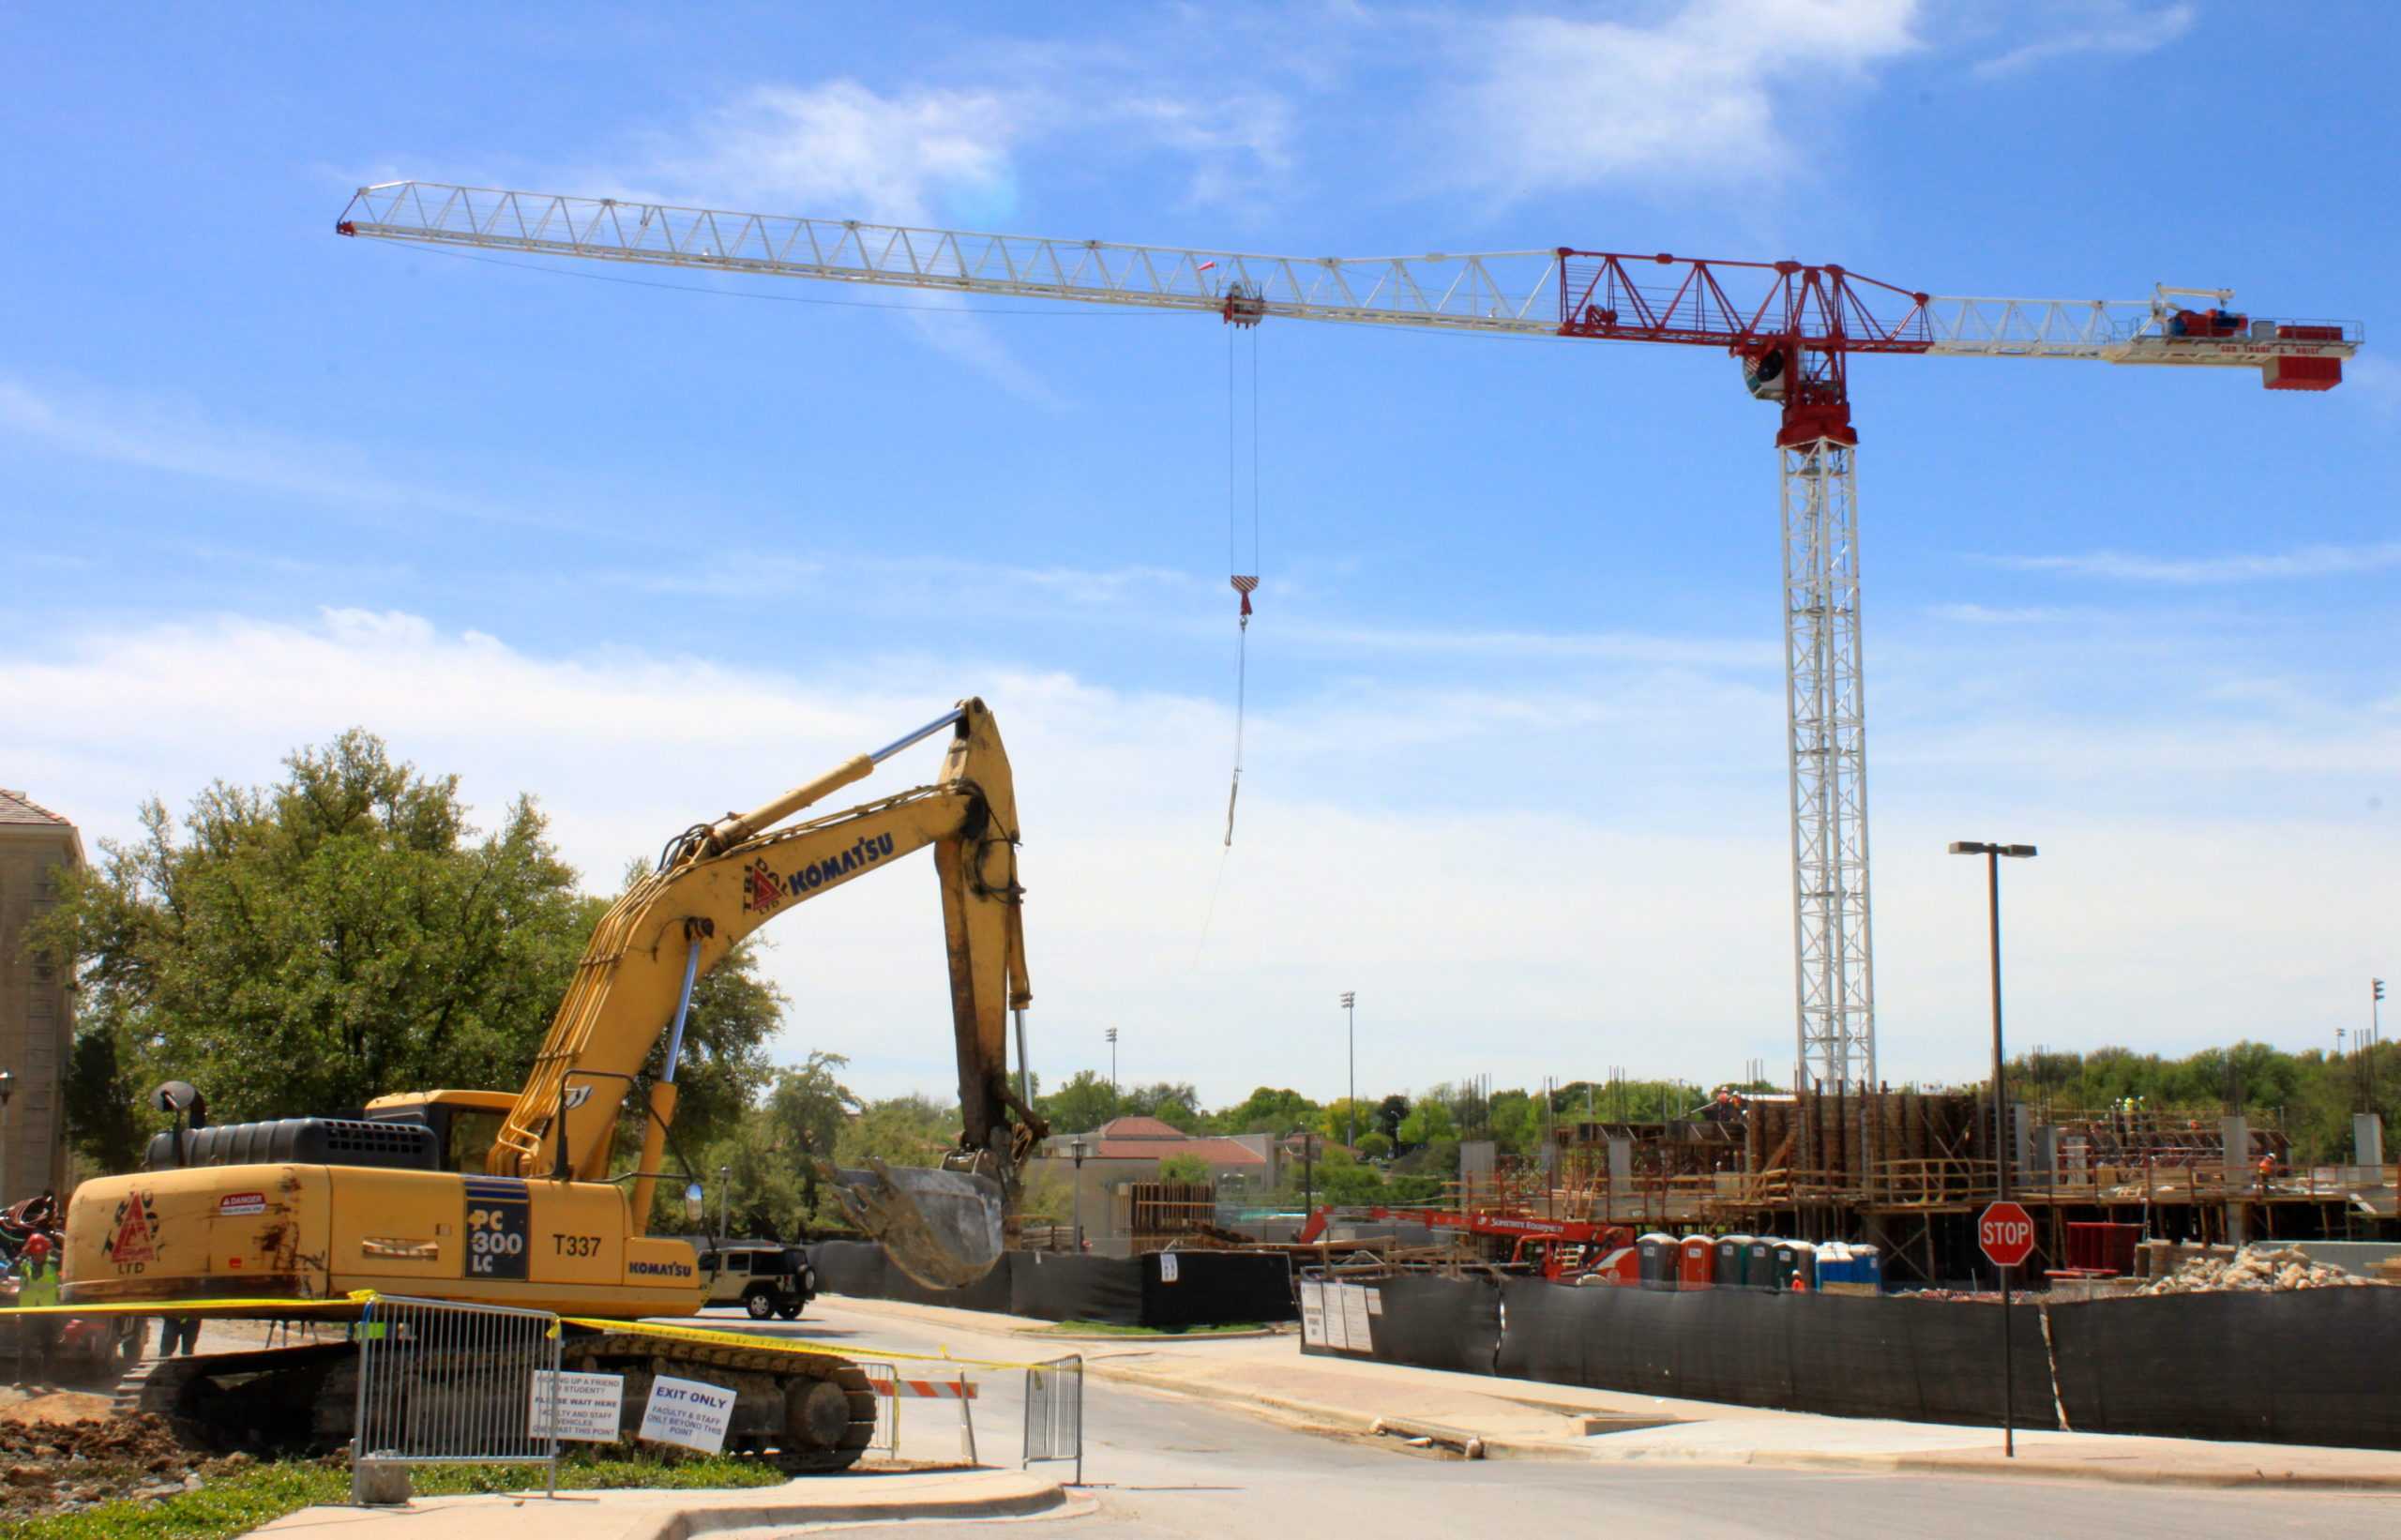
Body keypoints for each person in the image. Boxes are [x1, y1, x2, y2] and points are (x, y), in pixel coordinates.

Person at [13, 1234, 60, 1385]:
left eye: (42, 1253)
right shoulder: (23, 1265)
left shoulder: (54, 1264)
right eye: (35, 1253)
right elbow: (10, 1269)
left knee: (48, 1347)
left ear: (46, 1252)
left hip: (48, 1312)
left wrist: (59, 1241)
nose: (38, 1256)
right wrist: (22, 1255)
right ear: (30, 1253)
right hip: (28, 1312)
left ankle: (47, 1380)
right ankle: (23, 1380)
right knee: (25, 1347)